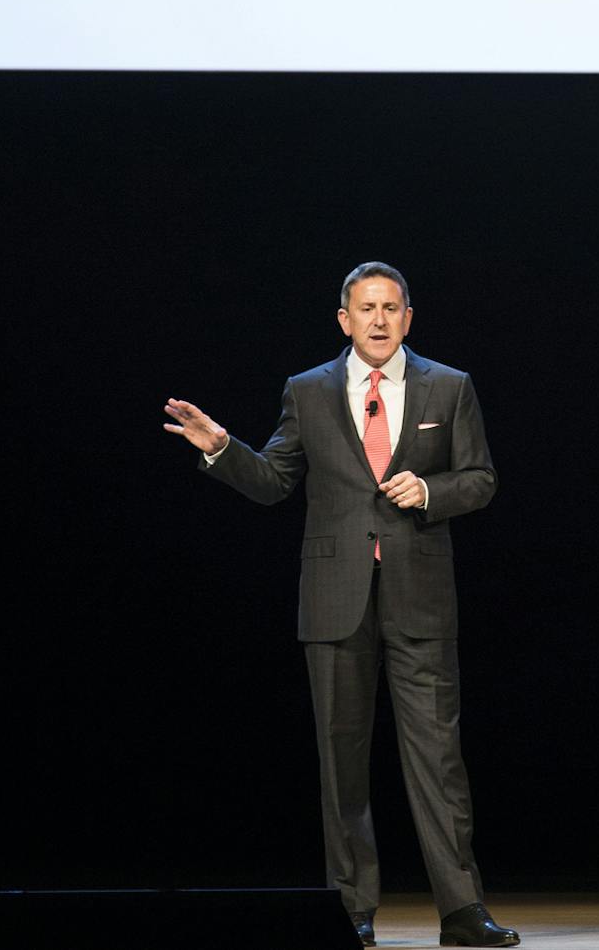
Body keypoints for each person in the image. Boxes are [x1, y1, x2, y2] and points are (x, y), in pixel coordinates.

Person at [164, 261, 518, 950]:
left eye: (392, 307)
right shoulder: (309, 391)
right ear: (344, 319)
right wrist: (220, 450)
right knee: (341, 762)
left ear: (408, 318)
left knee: (439, 759)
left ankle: (461, 911)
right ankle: (352, 911)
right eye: (366, 308)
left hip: (421, 597)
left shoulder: (450, 386)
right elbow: (274, 480)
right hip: (335, 601)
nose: (380, 320)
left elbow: (481, 478)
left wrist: (432, 491)